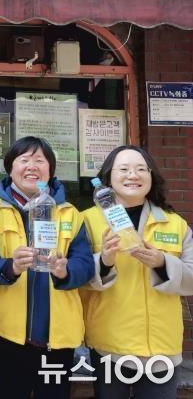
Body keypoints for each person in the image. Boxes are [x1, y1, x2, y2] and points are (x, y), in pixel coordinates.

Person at [0, 136, 94, 399]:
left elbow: (85, 264)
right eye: (24, 159)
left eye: (40, 160)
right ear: (10, 168)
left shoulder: (70, 214)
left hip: (59, 337)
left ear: (50, 170)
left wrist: (65, 270)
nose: (32, 166)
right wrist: (10, 267)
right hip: (8, 335)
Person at [81, 145, 193, 399]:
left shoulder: (174, 223)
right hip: (109, 346)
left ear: (151, 177)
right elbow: (75, 278)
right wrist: (104, 261)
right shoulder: (87, 220)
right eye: (124, 169)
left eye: (141, 169)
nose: (133, 175)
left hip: (162, 349)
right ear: (108, 177)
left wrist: (162, 263)